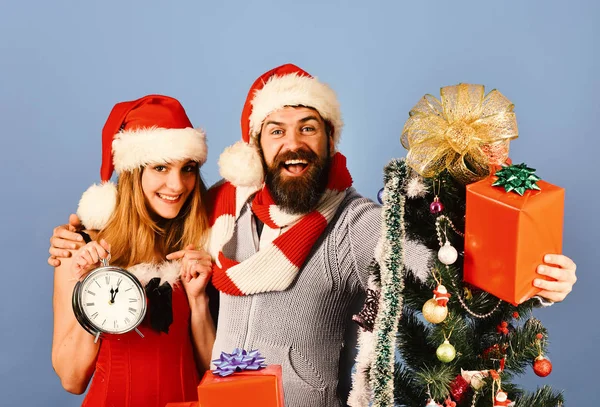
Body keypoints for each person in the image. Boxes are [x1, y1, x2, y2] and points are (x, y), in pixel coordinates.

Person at [49, 65, 578, 406]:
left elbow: (433, 262)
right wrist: (80, 242)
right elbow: (148, 218)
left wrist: (534, 277)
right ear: (254, 148)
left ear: (329, 140)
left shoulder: (354, 223)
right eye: (276, 130)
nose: (293, 143)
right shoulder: (222, 213)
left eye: (309, 127)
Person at [51, 95, 216, 407]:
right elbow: (72, 380)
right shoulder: (80, 249)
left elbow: (213, 372)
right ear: (132, 172)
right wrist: (95, 289)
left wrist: (197, 301)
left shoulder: (200, 245)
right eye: (160, 167)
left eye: (188, 168)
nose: (177, 184)